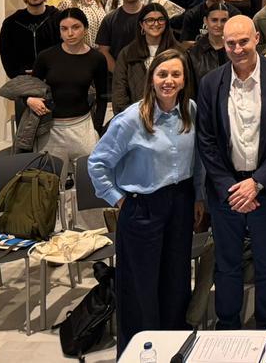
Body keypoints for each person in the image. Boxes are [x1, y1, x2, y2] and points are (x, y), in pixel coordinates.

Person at [87, 49, 203, 356]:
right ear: (151, 78)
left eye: (176, 74)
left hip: (180, 202)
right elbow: (97, 163)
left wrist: (199, 196)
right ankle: (140, 353)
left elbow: (198, 159)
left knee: (176, 279)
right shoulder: (131, 119)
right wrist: (118, 200)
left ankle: (173, 349)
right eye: (162, 74)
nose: (169, 81)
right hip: (142, 207)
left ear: (184, 79)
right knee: (141, 287)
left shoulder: (191, 110)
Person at [196, 14, 266, 330]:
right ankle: (228, 325)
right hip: (225, 191)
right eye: (231, 43)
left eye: (243, 41)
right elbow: (207, 140)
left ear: (257, 38)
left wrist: (257, 183)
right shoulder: (211, 82)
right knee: (226, 264)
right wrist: (232, 186)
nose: (238, 48)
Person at [28, 8, 106, 170]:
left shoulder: (96, 58)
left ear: (85, 28)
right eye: (64, 29)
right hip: (51, 128)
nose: (70, 33)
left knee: (89, 182)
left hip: (82, 126)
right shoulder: (46, 56)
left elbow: (102, 96)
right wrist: (29, 99)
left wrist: (97, 128)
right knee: (50, 185)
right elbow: (29, 88)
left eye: (75, 27)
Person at [112, 3, 181, 114]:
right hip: (136, 118)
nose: (156, 24)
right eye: (150, 20)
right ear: (141, 24)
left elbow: (186, 88)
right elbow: (119, 92)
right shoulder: (127, 53)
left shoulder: (178, 52)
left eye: (160, 19)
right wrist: (132, 117)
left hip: (171, 116)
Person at [0, 0, 60, 78]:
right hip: (23, 78)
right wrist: (16, 73)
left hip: (53, 76)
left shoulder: (58, 18)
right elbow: (5, 52)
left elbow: (64, 46)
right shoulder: (11, 23)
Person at [188, 2, 231, 84]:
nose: (219, 25)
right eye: (214, 20)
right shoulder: (193, 53)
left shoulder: (235, 49)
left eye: (223, 20)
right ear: (205, 21)